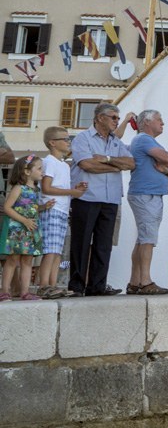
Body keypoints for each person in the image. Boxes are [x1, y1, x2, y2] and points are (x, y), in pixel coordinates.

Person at [68, 103, 135, 296]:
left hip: (111, 198)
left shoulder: (116, 141)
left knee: (104, 244)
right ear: (99, 118)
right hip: (87, 197)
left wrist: (105, 159)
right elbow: (87, 165)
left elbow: (130, 163)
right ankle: (77, 286)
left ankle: (97, 286)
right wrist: (115, 165)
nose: (117, 121)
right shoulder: (82, 138)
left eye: (117, 117)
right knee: (81, 243)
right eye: (113, 117)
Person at [126, 109, 168, 295]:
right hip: (145, 194)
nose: (162, 123)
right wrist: (167, 164)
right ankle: (145, 282)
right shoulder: (143, 139)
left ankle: (135, 281)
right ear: (147, 122)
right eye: (159, 119)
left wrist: (166, 169)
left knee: (143, 239)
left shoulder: (149, 141)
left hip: (150, 194)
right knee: (147, 238)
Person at [37, 127, 84, 299]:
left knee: (57, 251)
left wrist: (74, 190)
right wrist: (72, 192)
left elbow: (62, 187)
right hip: (52, 209)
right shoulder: (49, 161)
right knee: (50, 250)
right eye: (64, 139)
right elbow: (46, 187)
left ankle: (53, 284)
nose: (68, 142)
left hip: (62, 210)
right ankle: (44, 285)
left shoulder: (64, 165)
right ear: (52, 142)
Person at [1, 155, 47, 301]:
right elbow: (7, 208)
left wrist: (43, 207)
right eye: (39, 168)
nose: (42, 172)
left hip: (30, 229)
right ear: (27, 172)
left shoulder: (35, 190)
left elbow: (30, 208)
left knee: (28, 260)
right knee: (12, 260)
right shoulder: (18, 188)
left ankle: (25, 292)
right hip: (17, 230)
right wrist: (24, 220)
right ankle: (4, 291)